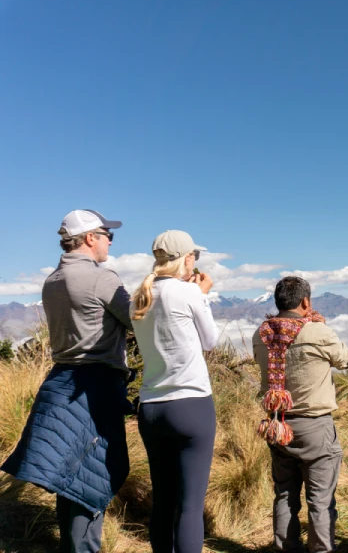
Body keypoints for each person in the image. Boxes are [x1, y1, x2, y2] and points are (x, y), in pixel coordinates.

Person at [2, 209, 132, 553]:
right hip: (96, 386)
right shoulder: (101, 279)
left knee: (71, 474)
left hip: (62, 381)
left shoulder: (53, 280)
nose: (109, 242)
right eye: (107, 235)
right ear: (90, 238)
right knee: (93, 472)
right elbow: (139, 321)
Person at [130, 230, 219, 552]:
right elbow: (210, 342)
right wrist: (203, 295)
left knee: (163, 503)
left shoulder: (139, 296)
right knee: (190, 507)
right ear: (189, 258)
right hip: (191, 404)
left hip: (151, 407)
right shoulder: (188, 294)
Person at [252, 276, 348, 553]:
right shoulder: (317, 332)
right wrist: (321, 326)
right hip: (315, 427)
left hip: (277, 425)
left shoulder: (261, 334)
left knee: (285, 494)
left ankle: (286, 548)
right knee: (320, 501)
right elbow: (345, 359)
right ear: (305, 302)